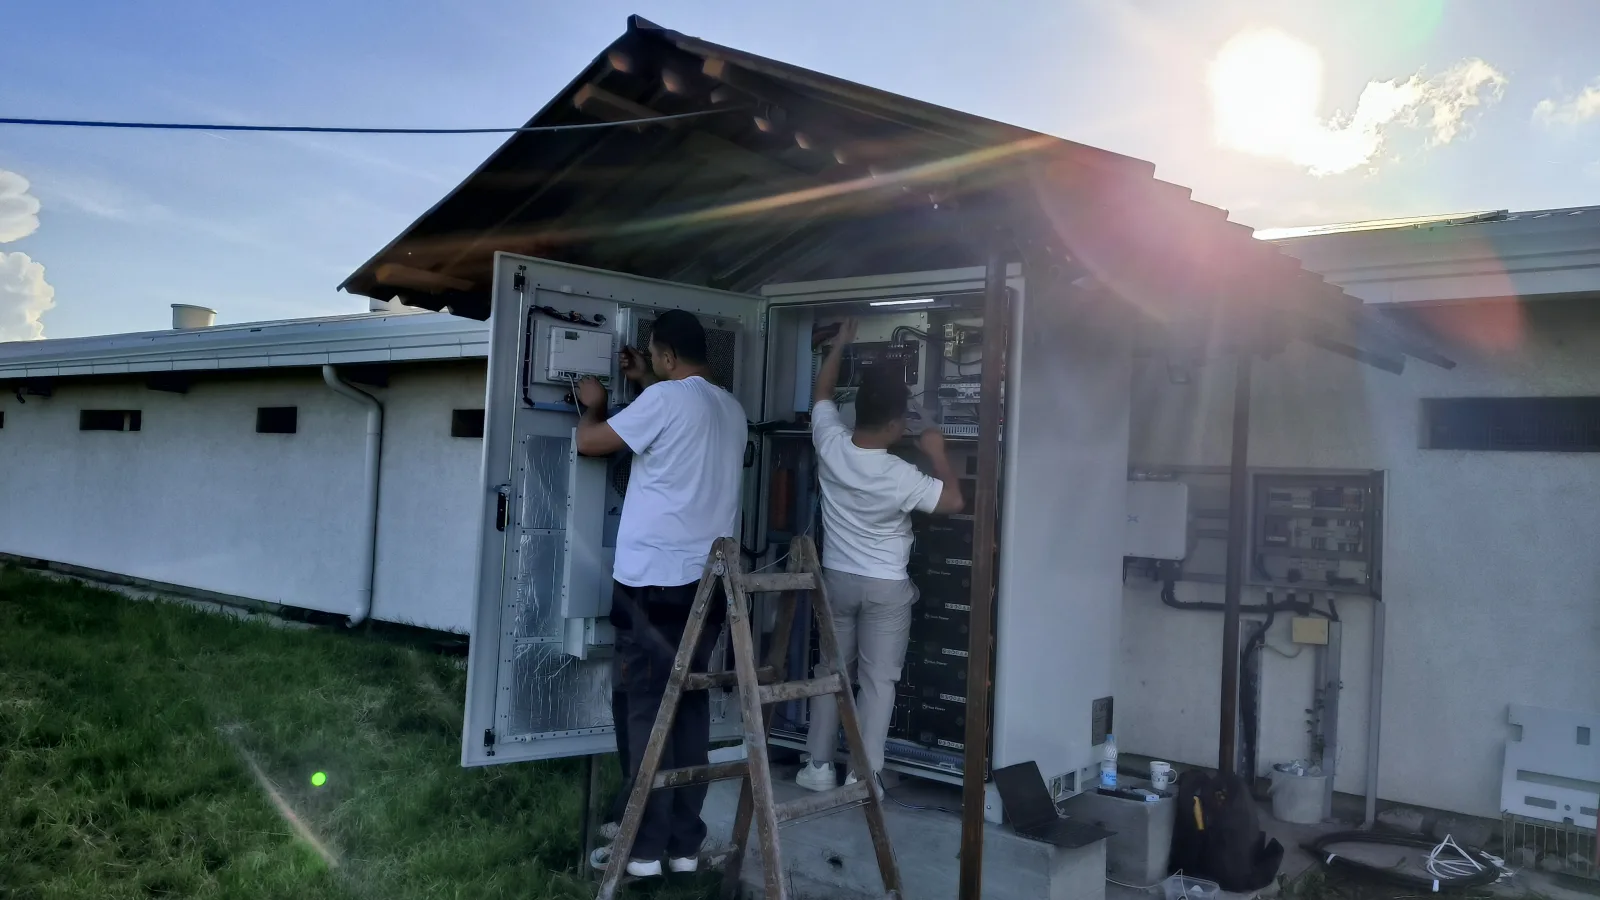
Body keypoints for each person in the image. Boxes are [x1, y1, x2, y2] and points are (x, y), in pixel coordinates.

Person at [573, 309, 747, 878]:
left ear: (667, 356)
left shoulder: (665, 401)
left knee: (645, 707)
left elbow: (591, 443)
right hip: (709, 586)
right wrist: (644, 382)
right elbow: (677, 429)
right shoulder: (729, 408)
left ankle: (641, 848)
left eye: (653, 356)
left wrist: (596, 404)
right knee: (689, 705)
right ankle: (682, 843)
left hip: (652, 584)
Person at [796, 317, 965, 792]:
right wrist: (937, 451)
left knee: (831, 672)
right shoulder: (899, 474)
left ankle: (816, 767)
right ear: (895, 423)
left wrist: (839, 345)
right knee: (877, 683)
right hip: (886, 587)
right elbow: (953, 502)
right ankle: (862, 776)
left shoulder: (829, 442)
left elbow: (822, 397)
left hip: (837, 580)